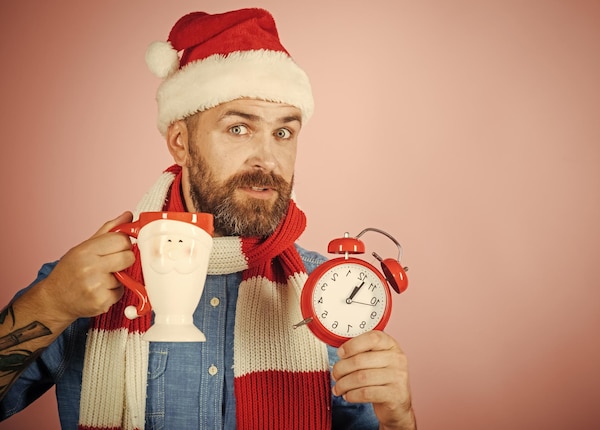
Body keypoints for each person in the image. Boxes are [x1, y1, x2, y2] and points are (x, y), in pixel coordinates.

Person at [0, 8, 416, 430]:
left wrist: (399, 419)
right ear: (180, 142)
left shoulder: (332, 298)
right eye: (239, 128)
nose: (268, 159)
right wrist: (51, 303)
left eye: (283, 133)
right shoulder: (85, 285)